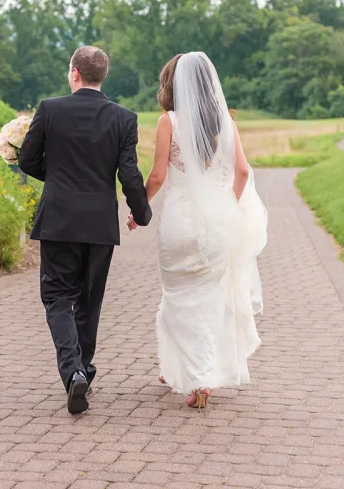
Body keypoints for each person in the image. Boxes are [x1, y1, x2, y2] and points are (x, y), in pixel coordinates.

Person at [129, 52, 267, 409]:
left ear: (172, 84)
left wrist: (138, 209)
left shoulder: (168, 122)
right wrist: (230, 207)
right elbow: (241, 173)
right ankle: (191, 374)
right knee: (208, 298)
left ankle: (195, 373)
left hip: (178, 222)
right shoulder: (227, 123)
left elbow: (157, 176)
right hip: (217, 225)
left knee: (177, 297)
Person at [19, 46, 152, 415]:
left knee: (58, 298)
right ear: (101, 76)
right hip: (98, 223)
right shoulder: (125, 118)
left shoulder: (50, 109)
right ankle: (84, 374)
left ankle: (73, 371)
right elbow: (129, 174)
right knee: (89, 303)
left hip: (59, 218)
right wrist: (141, 211)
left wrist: (60, 177)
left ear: (74, 73)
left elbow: (28, 160)